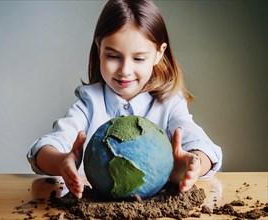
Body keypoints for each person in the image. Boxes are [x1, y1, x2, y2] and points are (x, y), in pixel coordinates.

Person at [27, 0, 222, 199]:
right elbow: (41, 150)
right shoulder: (89, 103)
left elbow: (207, 149)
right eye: (113, 56)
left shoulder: (169, 103)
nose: (125, 71)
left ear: (158, 54)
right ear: (99, 48)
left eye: (138, 58)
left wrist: (193, 164)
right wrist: (61, 162)